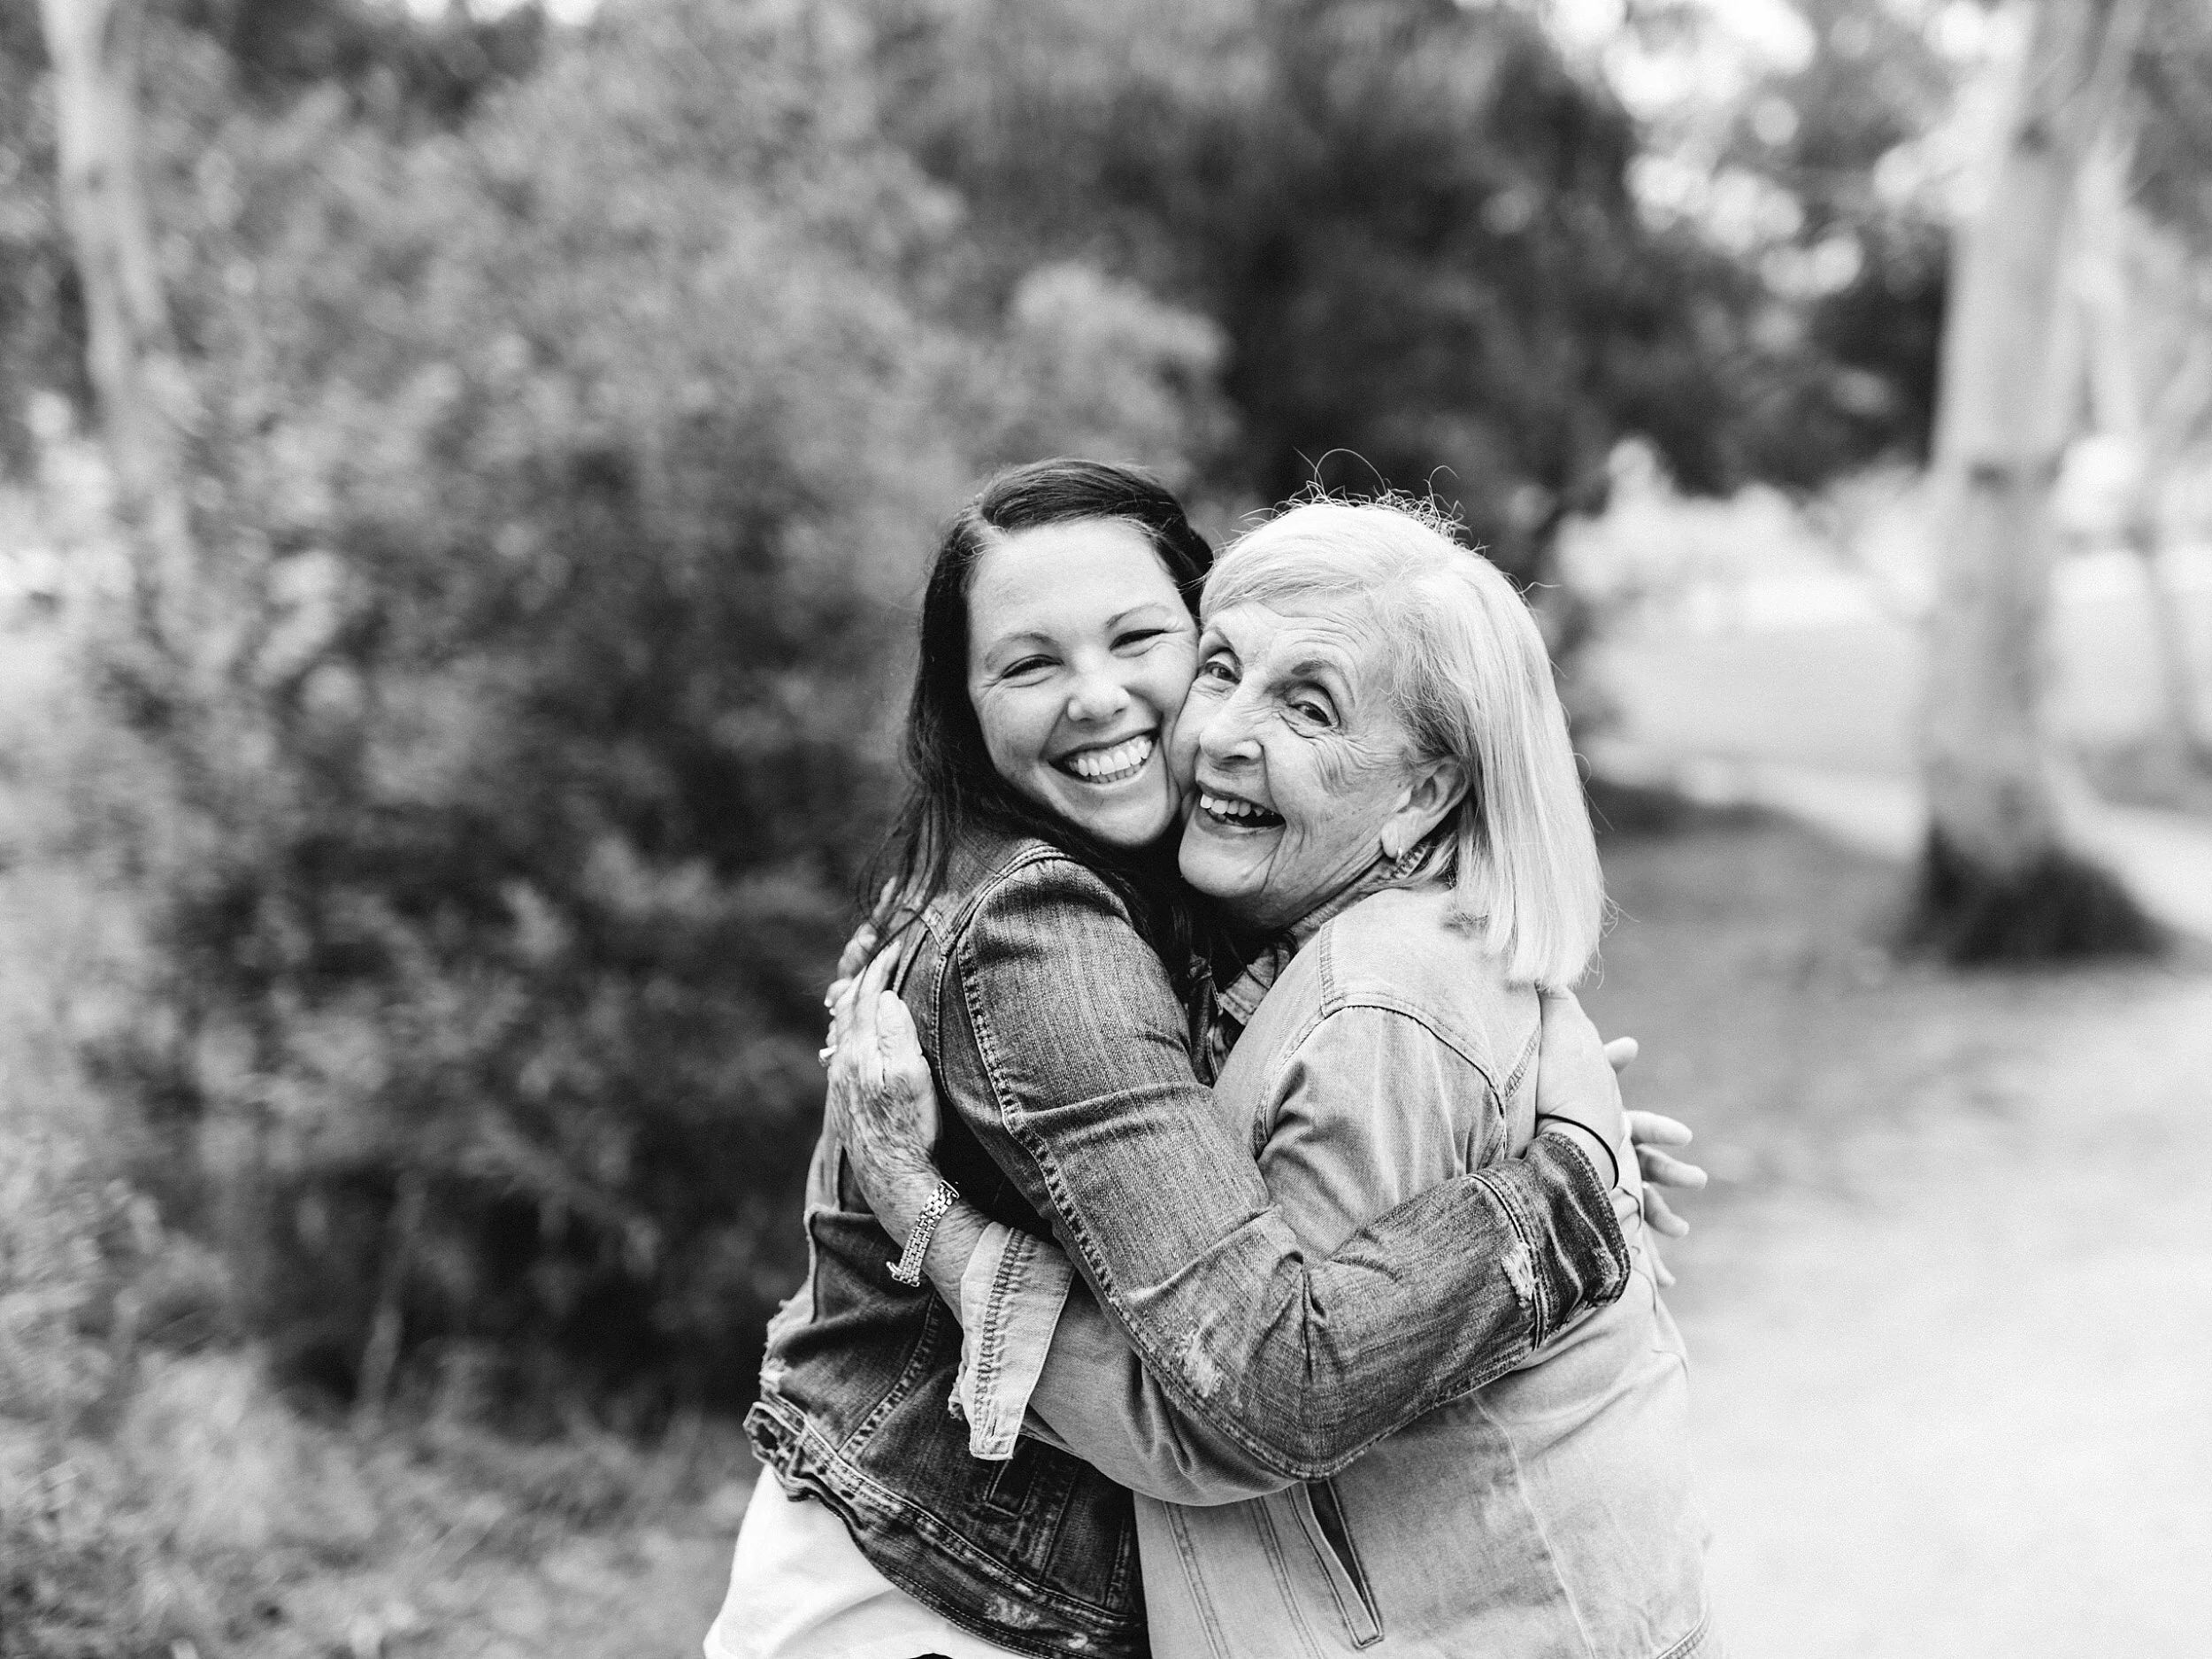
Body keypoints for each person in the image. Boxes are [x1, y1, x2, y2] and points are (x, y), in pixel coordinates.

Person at [708, 461, 1699, 1659]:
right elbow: (1270, 1382)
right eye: (1028, 664)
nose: (1100, 699)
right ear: (965, 706)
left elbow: (1234, 1179)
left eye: (1140, 640)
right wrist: (1565, 1190)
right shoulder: (1043, 927)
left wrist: (1501, 1114)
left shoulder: (1195, 908)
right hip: (925, 1599)